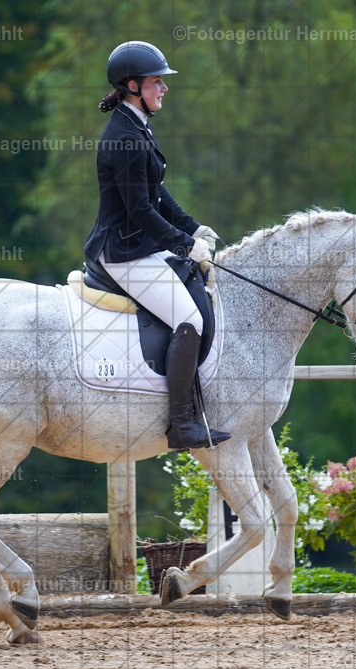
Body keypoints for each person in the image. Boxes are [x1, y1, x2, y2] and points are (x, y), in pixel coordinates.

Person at [83, 40, 230, 450]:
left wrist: (194, 228)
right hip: (124, 251)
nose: (164, 89)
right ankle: (181, 424)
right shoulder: (125, 138)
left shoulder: (137, 126)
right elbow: (141, 211)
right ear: (132, 86)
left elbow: (159, 195)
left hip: (140, 244)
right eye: (156, 82)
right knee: (191, 321)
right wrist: (186, 246)